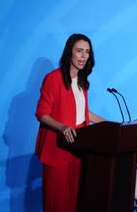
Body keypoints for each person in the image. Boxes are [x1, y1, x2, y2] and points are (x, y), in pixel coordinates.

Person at [34, 33, 105, 212]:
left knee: (75, 202)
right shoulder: (53, 78)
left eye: (87, 52)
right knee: (57, 202)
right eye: (79, 51)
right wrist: (62, 127)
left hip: (79, 149)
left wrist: (107, 124)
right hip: (58, 149)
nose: (83, 56)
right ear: (69, 52)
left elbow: (81, 111)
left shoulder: (82, 81)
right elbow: (42, 113)